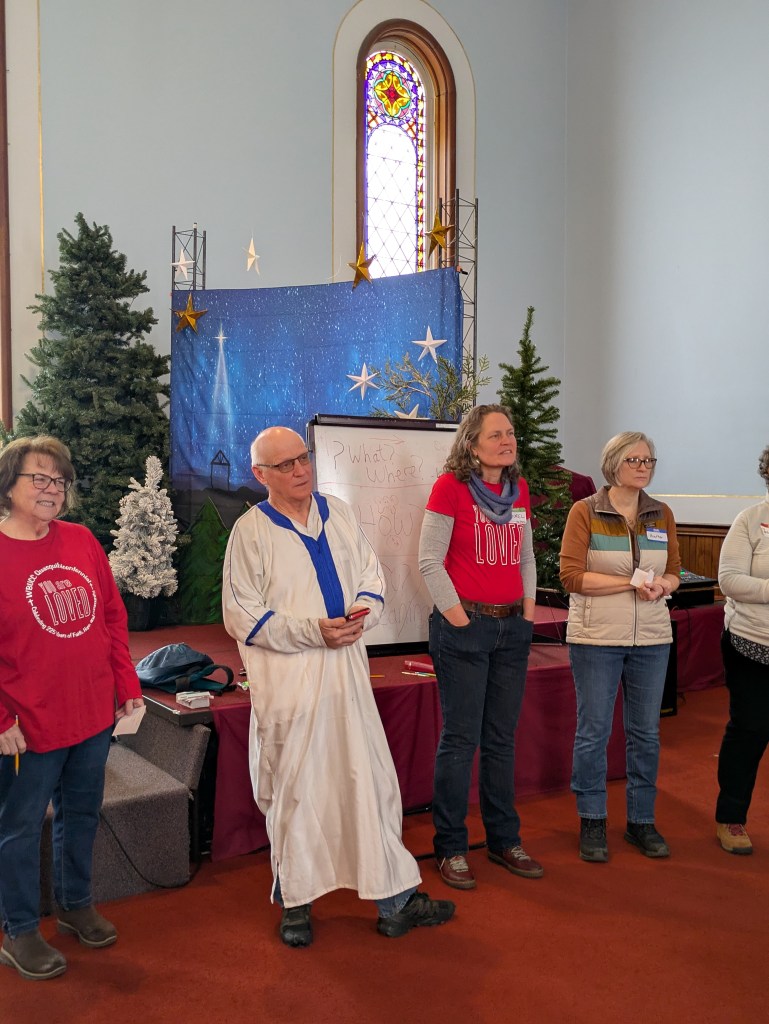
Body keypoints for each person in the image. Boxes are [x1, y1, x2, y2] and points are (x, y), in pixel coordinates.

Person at [221, 426, 455, 947]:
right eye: (285, 465)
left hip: (347, 672)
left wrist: (359, 616)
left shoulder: (340, 513)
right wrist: (313, 632)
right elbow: (241, 614)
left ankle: (395, 901)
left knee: (366, 783)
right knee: (297, 790)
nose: (300, 470)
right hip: (290, 684)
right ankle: (297, 903)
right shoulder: (250, 532)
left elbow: (372, 577)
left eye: (303, 458)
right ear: (259, 475)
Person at [0, 436, 143, 981]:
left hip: (91, 715)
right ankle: (19, 930)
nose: (51, 489)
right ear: (8, 485)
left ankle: (75, 905)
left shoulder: (81, 540)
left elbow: (111, 616)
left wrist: (125, 682)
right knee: (18, 828)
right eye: (38, 477)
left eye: (59, 480)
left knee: (81, 813)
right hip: (27, 726)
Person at [418, 404, 542, 891]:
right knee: (460, 739)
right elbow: (429, 561)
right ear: (471, 444)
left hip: (512, 630)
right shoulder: (449, 488)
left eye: (510, 433)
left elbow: (526, 557)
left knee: (501, 739)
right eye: (496, 434)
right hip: (463, 630)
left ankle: (503, 839)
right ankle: (450, 846)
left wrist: (527, 615)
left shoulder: (518, 489)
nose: (507, 440)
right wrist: (461, 620)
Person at [559, 431, 680, 863]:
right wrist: (629, 583)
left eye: (649, 460)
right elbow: (572, 577)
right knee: (594, 731)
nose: (643, 467)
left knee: (646, 734)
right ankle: (592, 819)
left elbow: (675, 570)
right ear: (613, 464)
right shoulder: (586, 511)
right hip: (596, 638)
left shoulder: (660, 512)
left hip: (652, 638)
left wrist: (664, 585)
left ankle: (641, 821)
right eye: (634, 460)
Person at [714, 444, 769, 856]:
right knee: (750, 731)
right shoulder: (750, 520)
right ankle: (730, 817)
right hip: (752, 645)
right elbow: (729, 579)